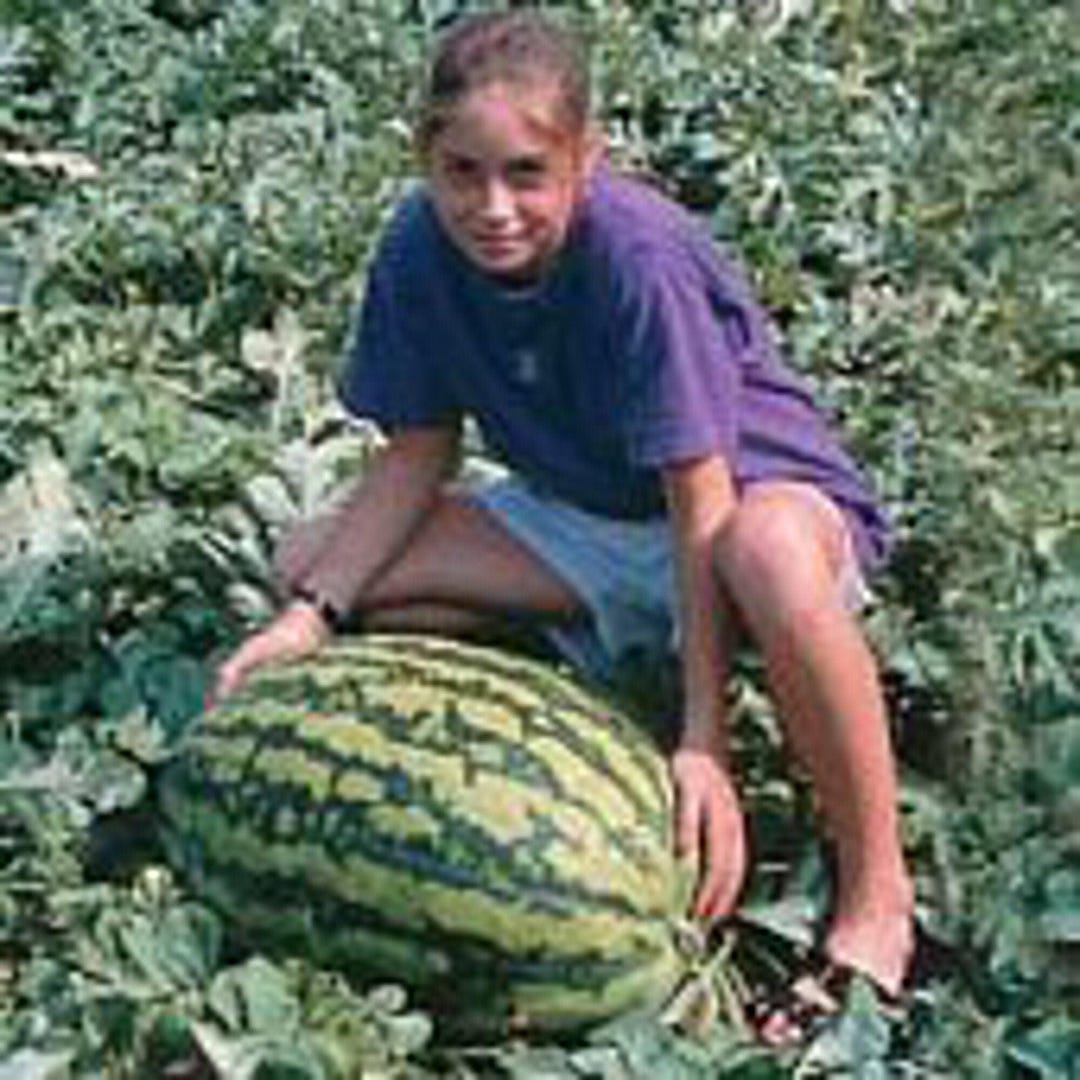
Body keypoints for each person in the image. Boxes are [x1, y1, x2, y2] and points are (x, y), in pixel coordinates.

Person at [211, 9, 914, 1044]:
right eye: (462, 172)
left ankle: (879, 899)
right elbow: (416, 454)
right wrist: (310, 618)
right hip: (585, 519)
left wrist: (703, 737)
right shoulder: (416, 249)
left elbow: (700, 498)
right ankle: (572, 689)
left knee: (762, 553)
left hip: (749, 509)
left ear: (588, 159)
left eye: (528, 173)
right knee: (311, 559)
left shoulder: (639, 257)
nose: (492, 207)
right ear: (426, 159)